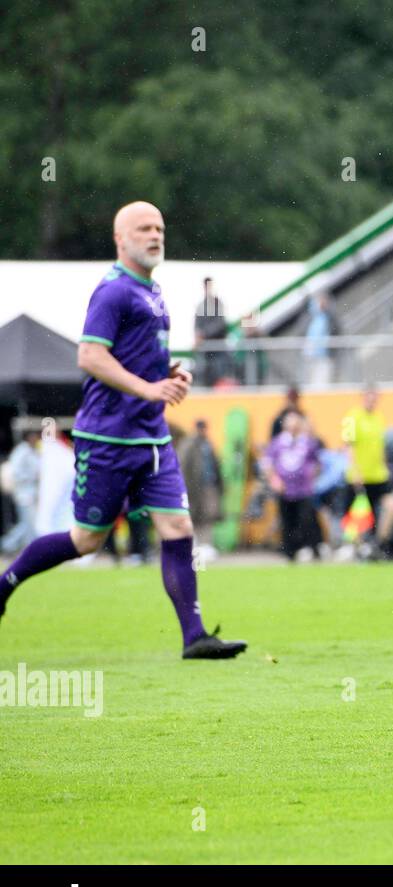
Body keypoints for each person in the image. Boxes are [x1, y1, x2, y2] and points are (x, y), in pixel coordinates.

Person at [0, 201, 245, 658]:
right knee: (86, 540)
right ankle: (4, 585)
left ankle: (194, 637)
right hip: (109, 439)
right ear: (120, 239)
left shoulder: (154, 292)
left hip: (150, 438)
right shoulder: (113, 291)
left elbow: (134, 359)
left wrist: (169, 374)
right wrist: (150, 389)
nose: (155, 235)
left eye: (160, 228)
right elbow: (90, 356)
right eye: (144, 229)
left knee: (177, 526)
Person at [261, 410, 322, 561]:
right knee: (287, 521)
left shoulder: (307, 442)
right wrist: (275, 481)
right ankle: (290, 552)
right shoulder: (278, 443)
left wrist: (311, 478)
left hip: (303, 489)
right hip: (285, 489)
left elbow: (317, 462)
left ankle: (311, 549)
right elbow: (267, 464)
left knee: (306, 519)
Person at [342, 386, 390, 555]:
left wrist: (385, 465)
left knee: (377, 511)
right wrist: (354, 469)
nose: (372, 400)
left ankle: (372, 545)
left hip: (377, 474)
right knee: (355, 512)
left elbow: (381, 445)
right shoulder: (352, 417)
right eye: (369, 397)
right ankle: (351, 546)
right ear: (363, 397)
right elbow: (348, 445)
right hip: (359, 475)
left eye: (375, 397)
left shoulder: (379, 418)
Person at [177, 418, 223, 550]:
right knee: (193, 515)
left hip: (208, 485)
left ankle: (206, 544)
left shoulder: (207, 443)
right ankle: (193, 543)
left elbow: (215, 465)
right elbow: (184, 466)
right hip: (193, 487)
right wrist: (184, 486)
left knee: (208, 515)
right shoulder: (188, 444)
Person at [2, 430, 41, 554]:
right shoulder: (21, 451)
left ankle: (10, 545)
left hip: (32, 493)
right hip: (23, 493)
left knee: (27, 523)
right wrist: (32, 476)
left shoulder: (33, 451)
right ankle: (7, 544)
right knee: (28, 523)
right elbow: (16, 473)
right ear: (29, 437)